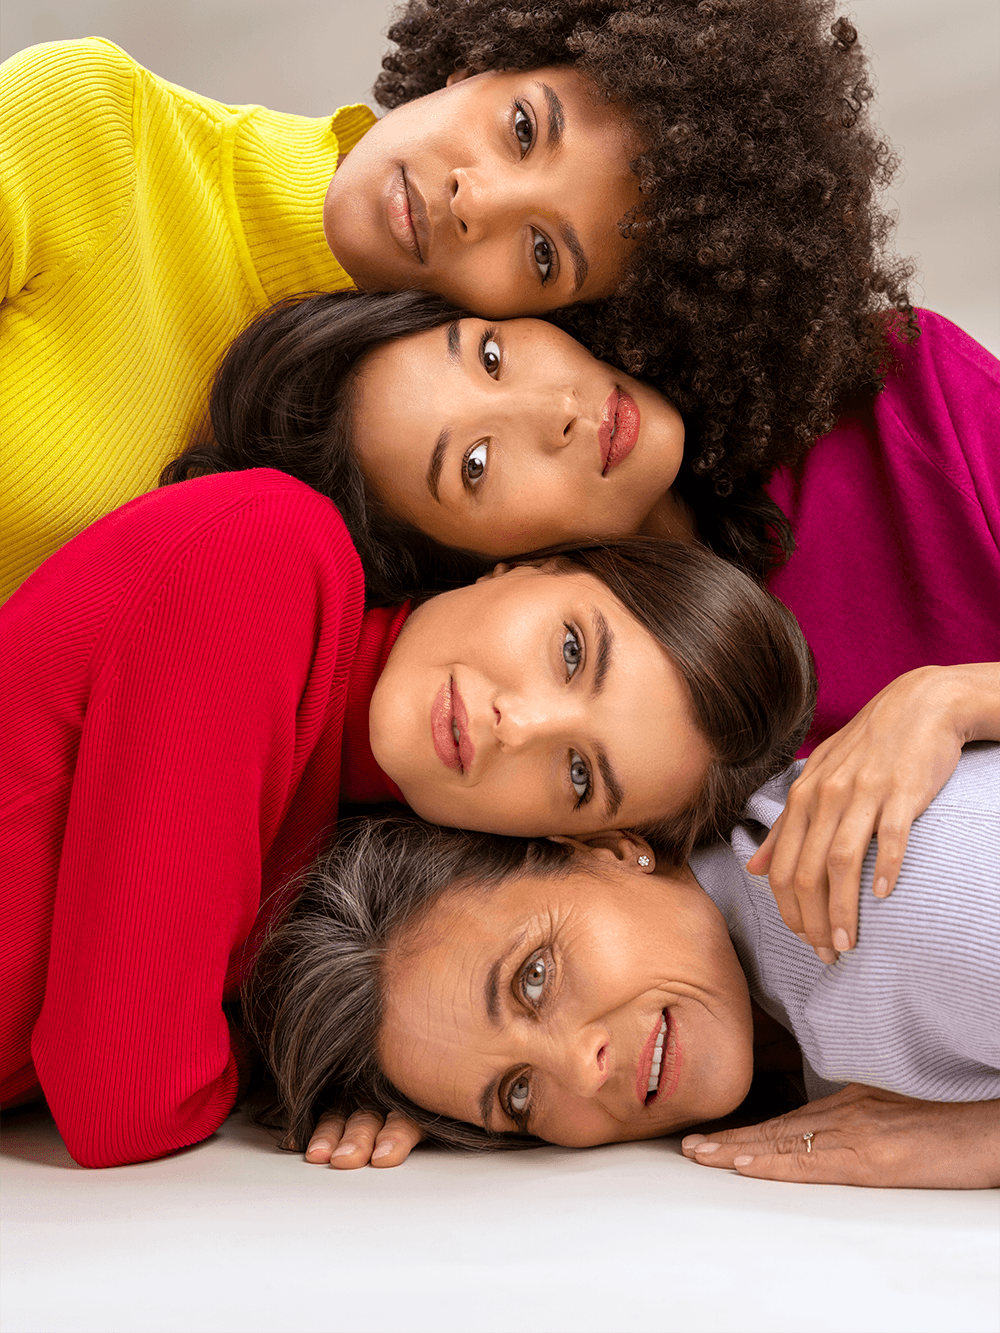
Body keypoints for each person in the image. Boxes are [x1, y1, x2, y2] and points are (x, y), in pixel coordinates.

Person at [1, 0, 909, 601]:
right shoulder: (91, 130)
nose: (478, 200)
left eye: (546, 254)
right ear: (478, 56)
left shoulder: (431, 496)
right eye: (524, 127)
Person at [0, 466, 813, 1167]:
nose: (518, 724)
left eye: (576, 774)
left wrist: (399, 1059)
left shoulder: (320, 857)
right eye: (570, 652)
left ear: (576, 836)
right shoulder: (269, 559)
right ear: (527, 564)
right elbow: (123, 1099)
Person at [165, 289, 1000, 970]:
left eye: (490, 354)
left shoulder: (892, 404)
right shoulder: (504, 760)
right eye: (476, 467)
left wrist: (953, 700)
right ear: (468, 566)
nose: (555, 410)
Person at [249, 739, 1000, 1190]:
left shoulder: (894, 895)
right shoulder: (785, 978)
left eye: (533, 978)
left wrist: (970, 1142)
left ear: (611, 850)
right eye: (516, 1096)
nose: (581, 1072)